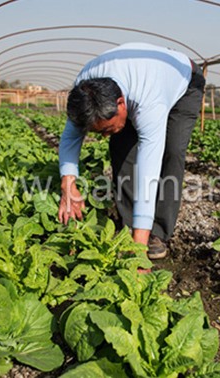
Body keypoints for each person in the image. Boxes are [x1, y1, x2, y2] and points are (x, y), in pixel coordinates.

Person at [57, 42, 205, 260]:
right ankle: (129, 226)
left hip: (183, 81)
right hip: (135, 79)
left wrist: (138, 254)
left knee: (171, 151)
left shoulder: (148, 101)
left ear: (121, 103)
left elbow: (148, 168)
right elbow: (70, 137)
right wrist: (68, 184)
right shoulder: (84, 92)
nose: (105, 135)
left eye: (107, 129)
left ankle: (155, 233)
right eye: (99, 133)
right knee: (121, 147)